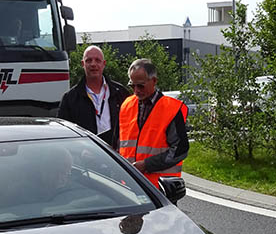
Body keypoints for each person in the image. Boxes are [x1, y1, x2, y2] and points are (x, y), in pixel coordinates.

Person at [119, 58, 189, 187]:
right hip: (130, 185)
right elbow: (119, 145)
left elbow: (180, 150)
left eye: (140, 85)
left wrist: (146, 165)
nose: (136, 90)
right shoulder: (126, 105)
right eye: (132, 85)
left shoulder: (171, 108)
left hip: (162, 188)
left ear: (154, 81)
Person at [58, 45, 129, 149]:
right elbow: (64, 134)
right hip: (85, 157)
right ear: (83, 64)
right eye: (89, 60)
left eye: (97, 60)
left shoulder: (120, 93)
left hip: (116, 157)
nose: (93, 64)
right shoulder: (70, 98)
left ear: (104, 64)